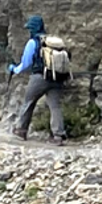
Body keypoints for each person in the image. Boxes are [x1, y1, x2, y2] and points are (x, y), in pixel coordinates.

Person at [11, 14, 67, 143]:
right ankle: (58, 135)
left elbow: (26, 63)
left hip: (39, 77)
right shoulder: (51, 41)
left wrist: (14, 69)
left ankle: (21, 130)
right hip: (56, 77)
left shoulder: (33, 42)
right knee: (55, 106)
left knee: (29, 101)